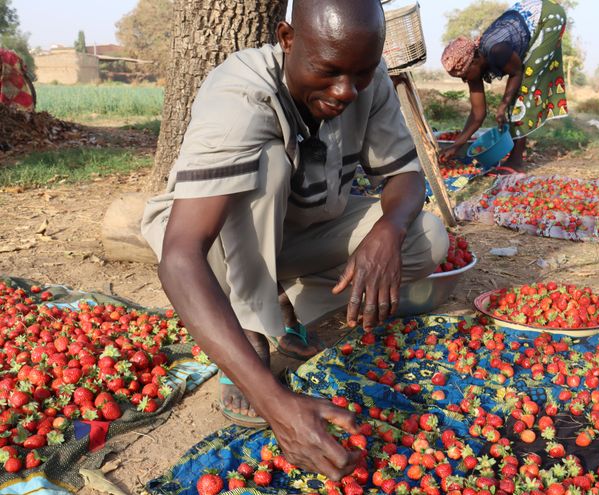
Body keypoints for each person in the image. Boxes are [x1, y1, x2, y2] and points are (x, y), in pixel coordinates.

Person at [140, 0, 447, 481]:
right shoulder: (241, 92)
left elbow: (405, 176)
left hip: (297, 229)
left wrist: (387, 230)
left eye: (360, 73)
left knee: (424, 237)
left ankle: (290, 307)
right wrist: (276, 403)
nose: (345, 91)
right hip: (212, 241)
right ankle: (251, 331)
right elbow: (181, 256)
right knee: (268, 165)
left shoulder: (369, 76)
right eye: (328, 71)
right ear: (287, 39)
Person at [438, 0, 568, 173]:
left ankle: (516, 160)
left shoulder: (496, 50)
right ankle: (515, 150)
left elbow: (517, 73)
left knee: (524, 87)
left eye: (464, 75)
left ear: (475, 61)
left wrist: (503, 106)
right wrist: (457, 145)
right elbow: (478, 113)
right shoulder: (472, 66)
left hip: (548, 17)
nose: (464, 80)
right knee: (515, 93)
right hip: (532, 22)